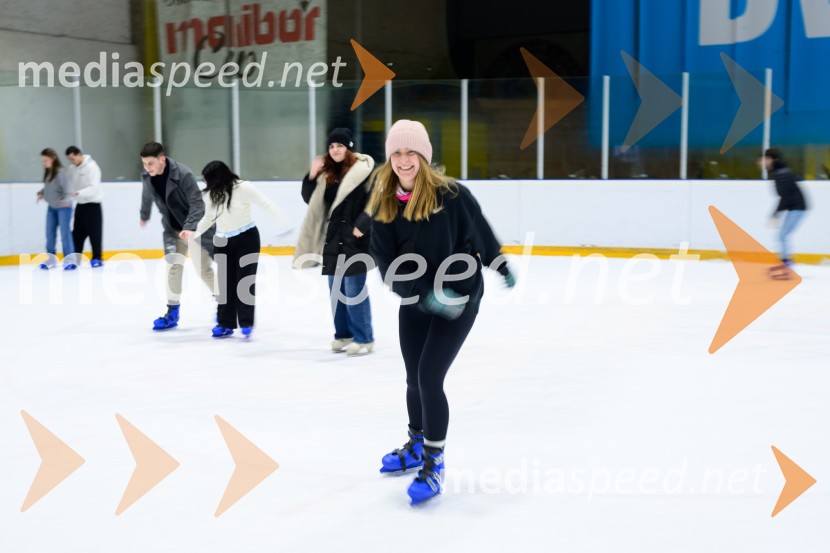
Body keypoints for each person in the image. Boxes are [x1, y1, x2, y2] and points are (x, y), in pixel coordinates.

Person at [368, 120, 516, 505]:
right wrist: (421, 295)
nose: (403, 160)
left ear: (424, 156)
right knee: (413, 378)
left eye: (410, 152)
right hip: (417, 298)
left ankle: (434, 462)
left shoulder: (452, 196)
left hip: (459, 298)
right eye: (397, 153)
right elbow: (385, 261)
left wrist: (499, 265)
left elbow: (480, 231)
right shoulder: (383, 201)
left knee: (430, 376)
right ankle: (416, 443)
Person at [181, 161, 288, 339]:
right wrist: (194, 232)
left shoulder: (243, 188)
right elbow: (209, 217)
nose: (207, 185)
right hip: (222, 241)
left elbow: (266, 203)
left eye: (210, 181)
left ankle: (246, 322)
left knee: (244, 281)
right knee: (225, 284)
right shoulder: (210, 194)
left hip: (247, 239)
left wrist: (282, 223)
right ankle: (225, 323)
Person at [294, 128, 376, 355]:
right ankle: (344, 335)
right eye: (331, 146)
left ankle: (364, 338)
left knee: (353, 289)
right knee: (335, 290)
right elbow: (310, 200)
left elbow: (376, 201)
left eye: (339, 145)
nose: (335, 150)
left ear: (348, 147)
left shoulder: (365, 171)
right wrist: (311, 176)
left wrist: (362, 224)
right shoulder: (327, 174)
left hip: (356, 238)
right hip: (332, 238)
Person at [139, 142, 216, 330]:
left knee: (203, 270)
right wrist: (144, 214)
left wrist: (190, 227)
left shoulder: (183, 174)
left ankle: (226, 305)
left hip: (195, 228)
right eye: (144, 163)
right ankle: (172, 312)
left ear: (162, 159)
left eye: (150, 163)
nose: (147, 167)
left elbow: (197, 204)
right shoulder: (147, 176)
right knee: (173, 266)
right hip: (172, 229)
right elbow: (147, 196)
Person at [760, 148, 808, 276]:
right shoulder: (779, 171)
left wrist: (775, 215)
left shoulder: (782, 173)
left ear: (771, 159)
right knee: (782, 235)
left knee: (783, 235)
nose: (763, 162)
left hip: (798, 207)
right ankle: (786, 265)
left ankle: (787, 268)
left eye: (765, 159)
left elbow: (785, 197)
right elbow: (784, 196)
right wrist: (776, 214)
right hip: (795, 207)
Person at [36, 148, 76, 271]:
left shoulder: (61, 172)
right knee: (49, 234)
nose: (44, 163)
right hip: (52, 208)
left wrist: (62, 201)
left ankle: (70, 261)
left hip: (63, 208)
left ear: (53, 158)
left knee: (65, 234)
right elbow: (49, 188)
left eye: (46, 160)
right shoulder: (49, 172)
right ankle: (51, 259)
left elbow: (67, 191)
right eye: (43, 161)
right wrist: (41, 193)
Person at [66, 146, 104, 267]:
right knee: (77, 234)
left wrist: (78, 193)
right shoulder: (72, 168)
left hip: (93, 206)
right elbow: (69, 184)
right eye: (69, 160)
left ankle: (97, 258)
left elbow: (94, 188)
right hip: (80, 205)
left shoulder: (92, 167)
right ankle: (75, 259)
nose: (72, 162)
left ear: (79, 155)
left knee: (95, 234)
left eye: (73, 158)